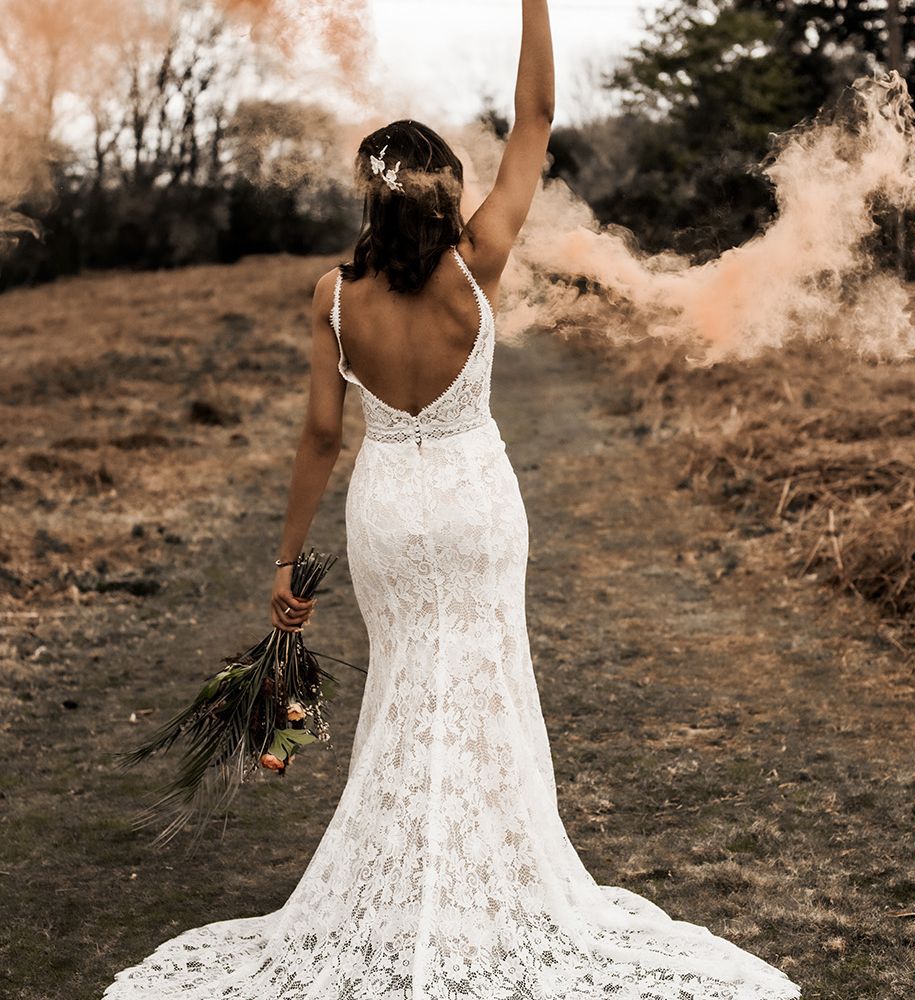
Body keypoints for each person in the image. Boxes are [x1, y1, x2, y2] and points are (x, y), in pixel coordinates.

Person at [104, 2, 801, 997]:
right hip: (474, 506)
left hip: (387, 507)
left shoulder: (332, 294)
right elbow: (539, 112)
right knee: (480, 683)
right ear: (443, 195)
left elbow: (317, 437)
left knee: (405, 686)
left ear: (370, 201)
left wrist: (287, 562)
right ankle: (478, 882)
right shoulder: (477, 264)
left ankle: (406, 885)